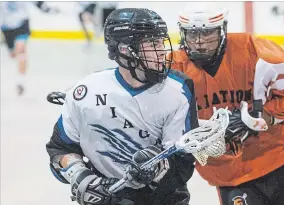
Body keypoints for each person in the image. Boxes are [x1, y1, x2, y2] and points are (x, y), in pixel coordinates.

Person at [170, 3, 284, 205]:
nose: (199, 42)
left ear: (222, 30)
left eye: (207, 33)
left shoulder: (257, 53)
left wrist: (258, 116)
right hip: (230, 177)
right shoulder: (172, 72)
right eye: (192, 34)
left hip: (279, 162)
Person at [46, 8, 198, 205]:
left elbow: (182, 161)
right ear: (125, 49)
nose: (161, 51)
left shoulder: (178, 90)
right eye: (152, 43)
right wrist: (81, 178)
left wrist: (157, 169)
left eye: (161, 42)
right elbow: (60, 149)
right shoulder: (86, 91)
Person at [0, 1, 59, 95]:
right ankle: (14, 53)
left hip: (22, 24)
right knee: (13, 54)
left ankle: (20, 81)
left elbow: (38, 3)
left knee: (21, 50)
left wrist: (49, 10)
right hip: (6, 28)